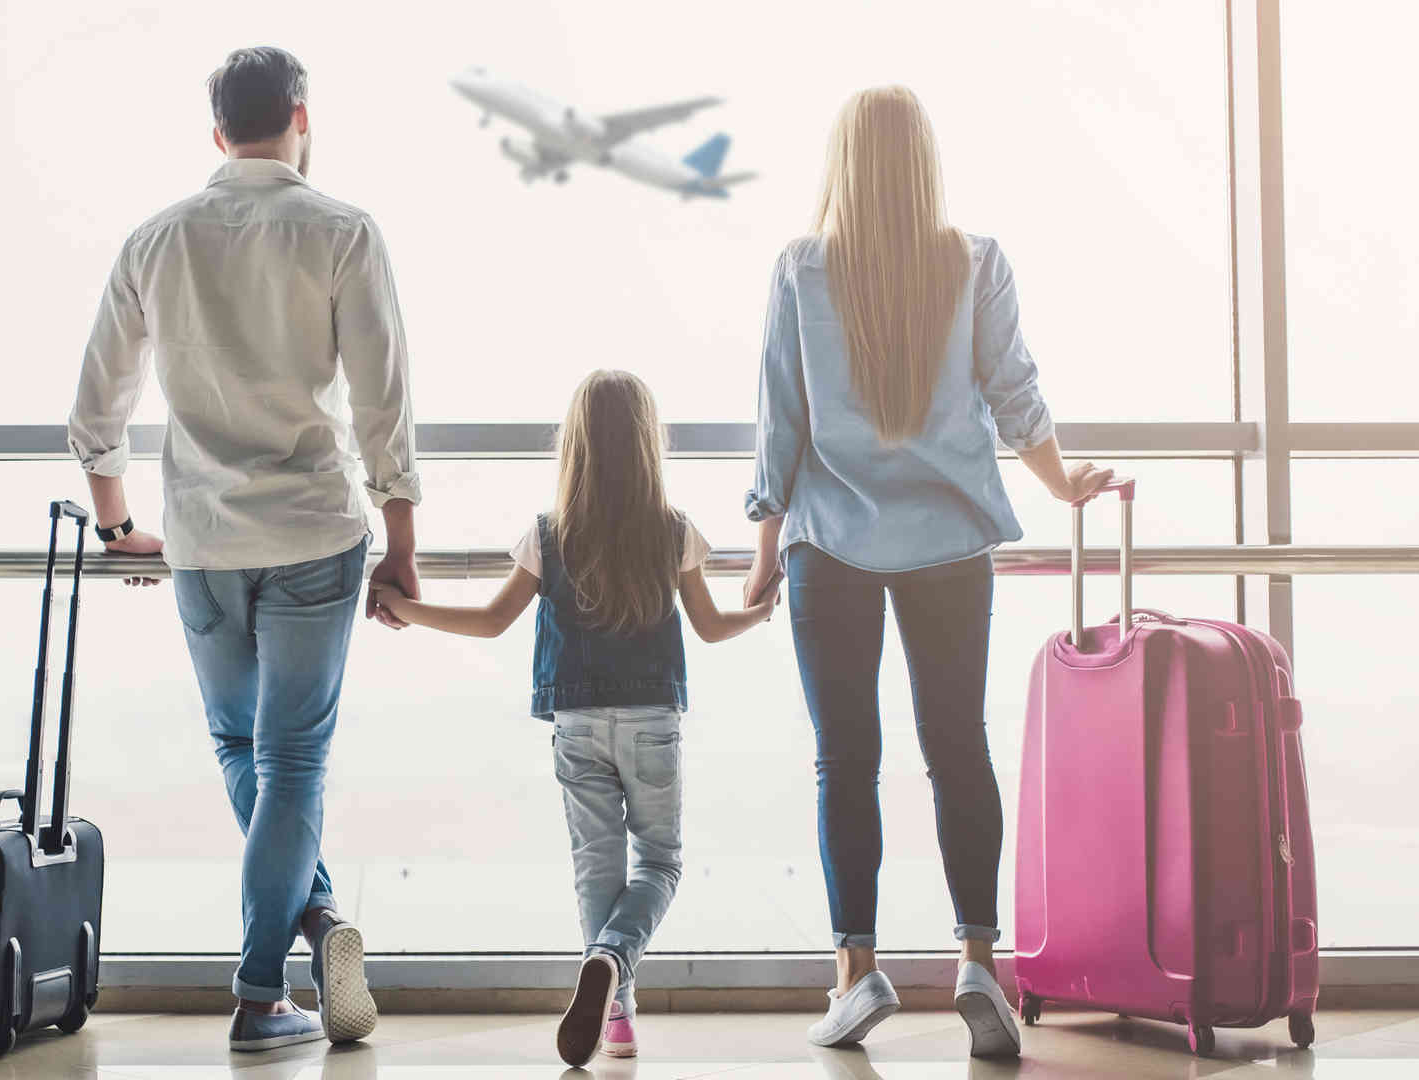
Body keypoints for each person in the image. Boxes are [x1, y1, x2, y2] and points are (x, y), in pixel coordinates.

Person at [741, 86, 1112, 1057]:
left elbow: (781, 425)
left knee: (846, 761)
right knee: (957, 747)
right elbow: (1015, 391)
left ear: (844, 164)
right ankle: (979, 962)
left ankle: (857, 976)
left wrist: (761, 546)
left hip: (831, 544)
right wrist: (1062, 482)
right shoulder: (975, 262)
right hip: (950, 543)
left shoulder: (801, 269)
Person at [66, 46, 422, 1052]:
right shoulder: (343, 230)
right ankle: (264, 986)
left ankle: (304, 930)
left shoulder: (157, 240)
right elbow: (383, 404)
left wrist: (113, 525)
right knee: (294, 758)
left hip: (204, 543)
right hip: (315, 531)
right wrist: (402, 545)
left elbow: (97, 412)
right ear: (301, 117)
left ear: (218, 131)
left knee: (243, 749)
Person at [372, 370, 779, 1067]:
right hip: (652, 719)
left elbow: (492, 621)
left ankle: (616, 1019)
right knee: (660, 862)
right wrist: (763, 610)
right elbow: (711, 628)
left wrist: (405, 609)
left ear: (577, 446)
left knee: (598, 871)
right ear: (649, 443)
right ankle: (613, 964)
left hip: (577, 720)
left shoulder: (549, 532)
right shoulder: (673, 529)